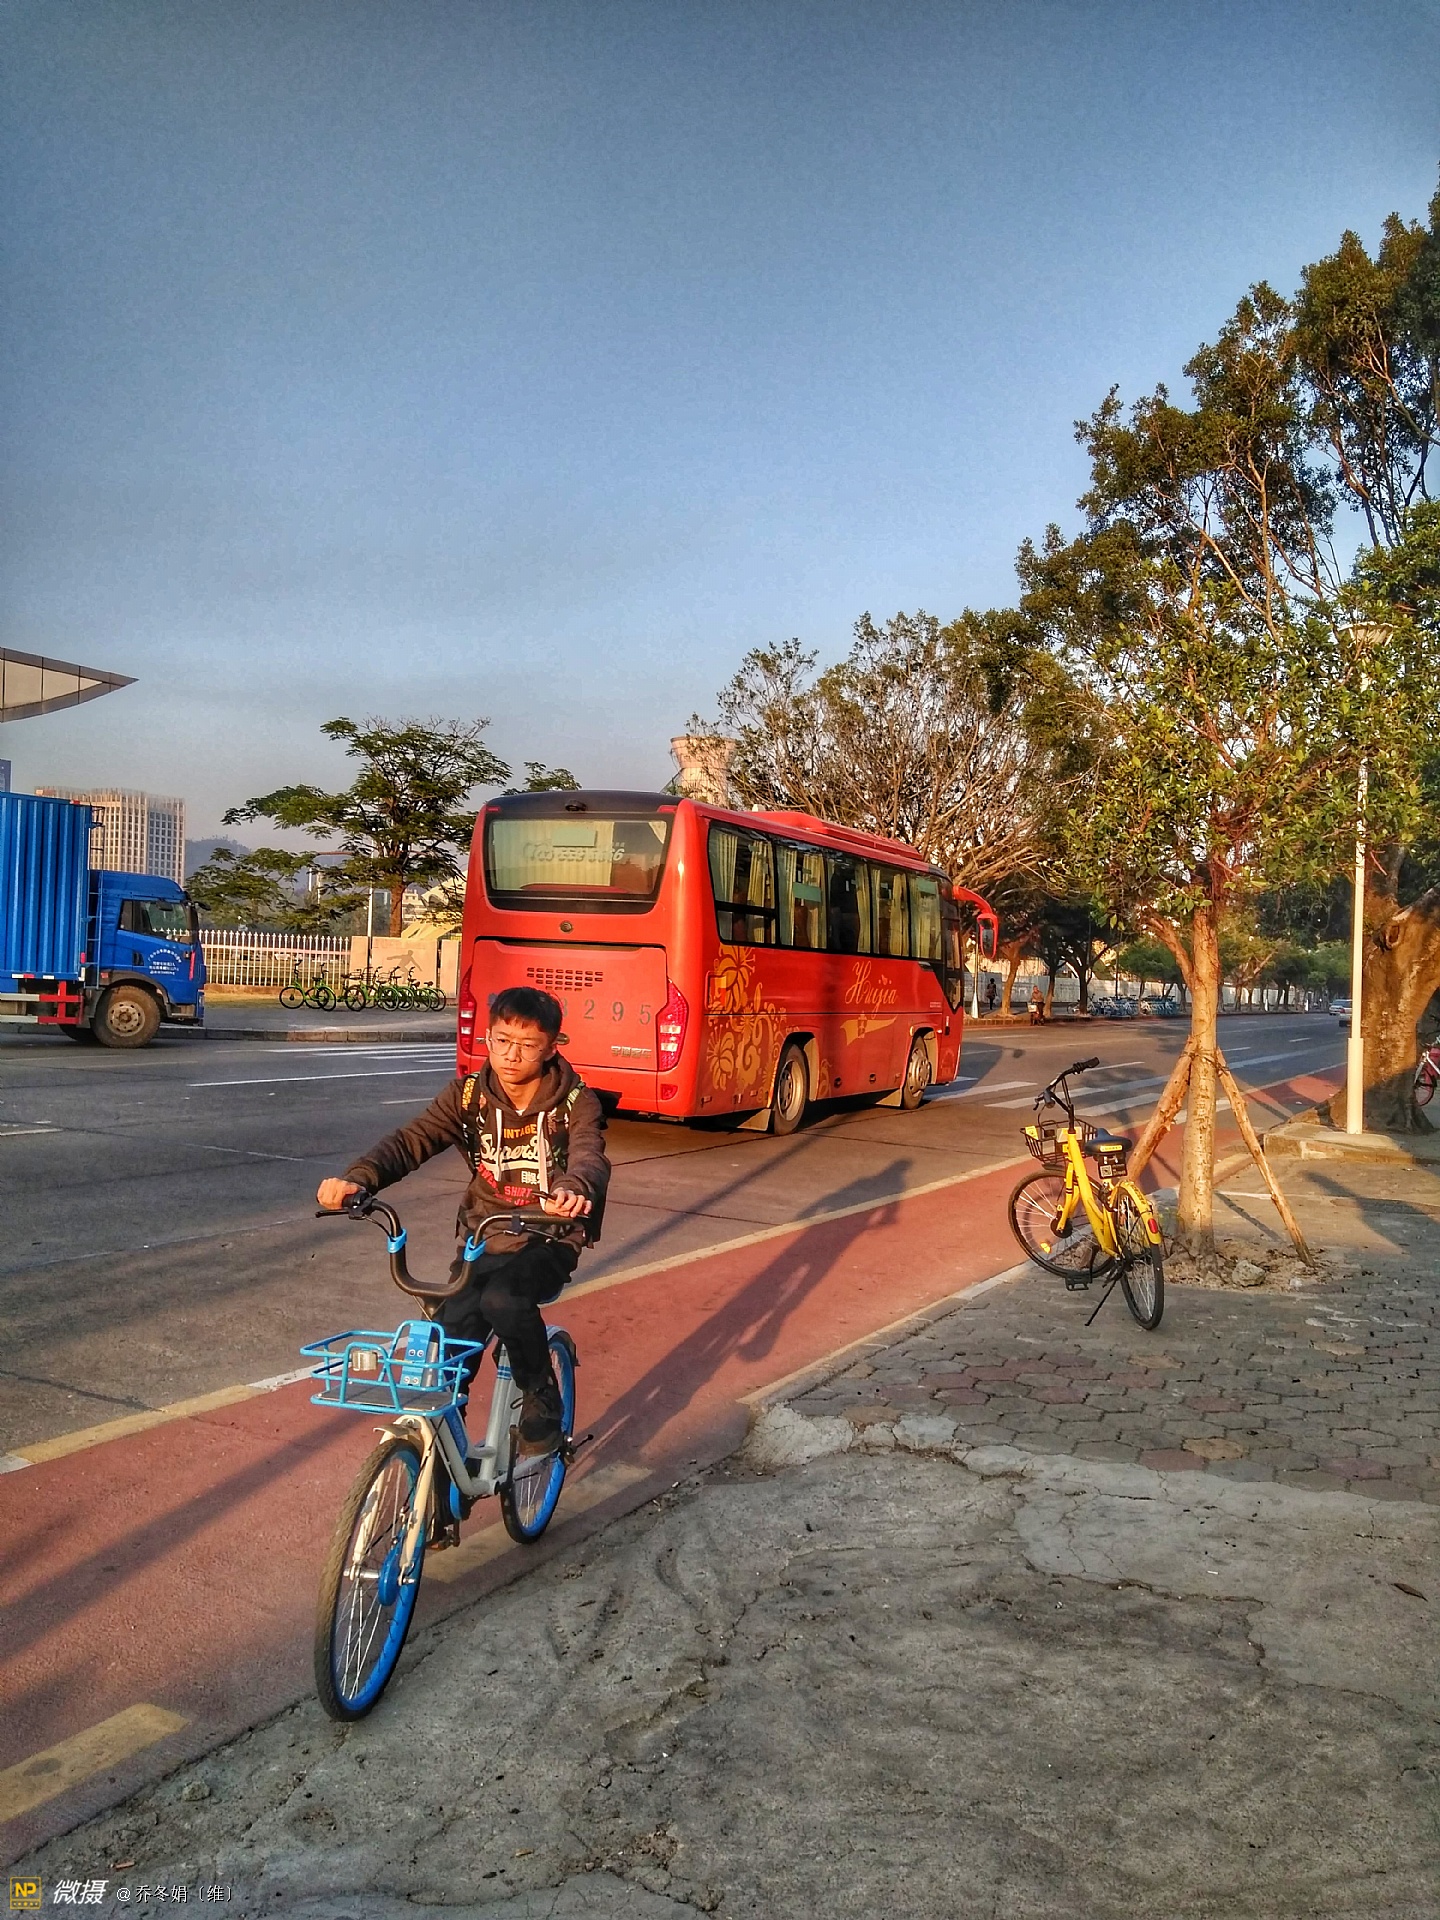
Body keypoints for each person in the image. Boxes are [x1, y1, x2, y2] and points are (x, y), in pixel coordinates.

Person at [316, 985, 610, 1457]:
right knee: (449, 1346)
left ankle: (540, 1393)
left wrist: (575, 1188)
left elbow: (588, 1155)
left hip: (548, 1235)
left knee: (503, 1299)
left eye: (527, 1044)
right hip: (483, 1235)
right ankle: (440, 1477)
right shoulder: (468, 1096)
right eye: (502, 1040)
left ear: (551, 1048)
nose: (511, 1054)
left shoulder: (575, 1102)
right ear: (488, 1038)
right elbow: (410, 1141)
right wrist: (358, 1180)